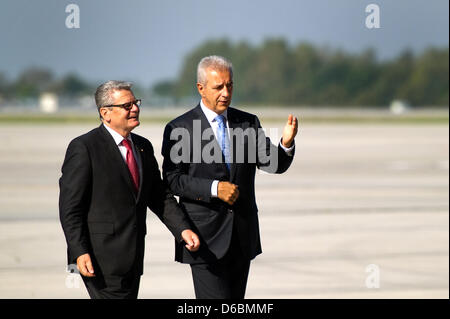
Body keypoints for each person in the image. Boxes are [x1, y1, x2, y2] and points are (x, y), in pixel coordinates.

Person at [161, 56, 298, 299]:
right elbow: (173, 180)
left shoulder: (247, 122)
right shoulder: (179, 128)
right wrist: (214, 188)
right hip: (204, 237)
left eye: (230, 85)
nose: (226, 92)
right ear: (200, 88)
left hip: (241, 237)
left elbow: (273, 164)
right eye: (218, 87)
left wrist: (286, 143)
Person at [59, 80, 200, 299]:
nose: (135, 109)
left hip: (132, 258)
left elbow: (159, 196)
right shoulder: (84, 148)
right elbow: (70, 209)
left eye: (136, 103)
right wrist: (79, 251)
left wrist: (182, 229)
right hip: (99, 259)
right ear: (105, 113)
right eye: (127, 105)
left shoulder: (142, 146)